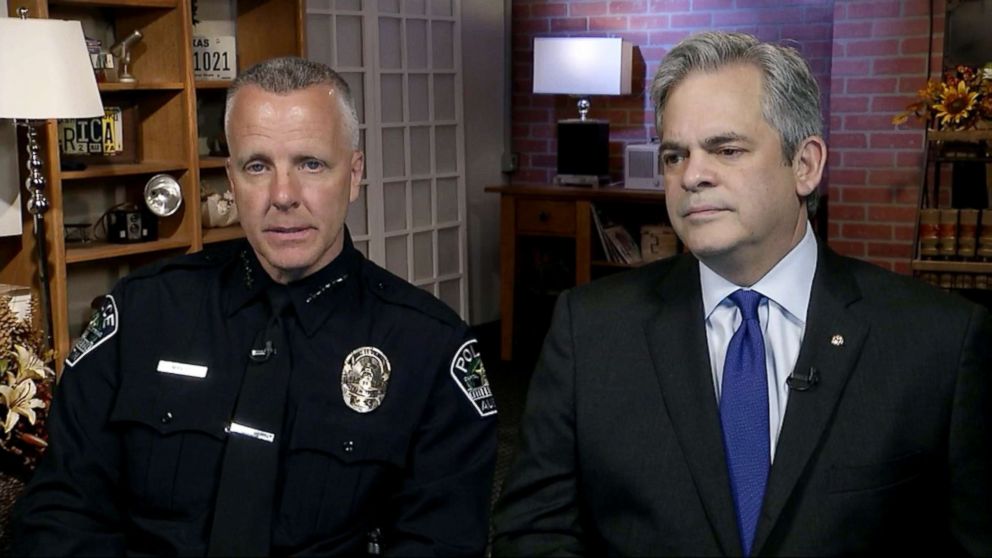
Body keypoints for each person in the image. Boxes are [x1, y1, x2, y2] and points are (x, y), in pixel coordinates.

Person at [492, 31, 992, 555]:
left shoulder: (939, 341)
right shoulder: (589, 330)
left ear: (805, 165)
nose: (692, 176)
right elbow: (533, 531)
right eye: (673, 156)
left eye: (726, 149)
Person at [13, 57, 498, 556]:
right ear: (231, 179)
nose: (283, 196)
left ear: (353, 175)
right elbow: (61, 511)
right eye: (258, 166)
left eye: (311, 164)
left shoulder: (430, 350)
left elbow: (440, 545)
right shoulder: (142, 313)